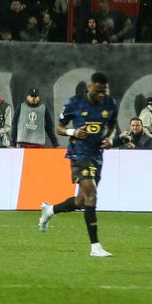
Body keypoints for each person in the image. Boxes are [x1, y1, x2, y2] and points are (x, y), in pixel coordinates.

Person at [38, 71, 118, 257]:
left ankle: (50, 210)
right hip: (79, 154)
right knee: (91, 194)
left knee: (81, 201)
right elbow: (59, 128)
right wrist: (73, 132)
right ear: (89, 87)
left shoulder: (109, 103)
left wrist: (109, 138)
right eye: (98, 90)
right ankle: (95, 247)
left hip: (97, 155)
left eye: (104, 90)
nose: (101, 94)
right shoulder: (74, 103)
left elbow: (112, 125)